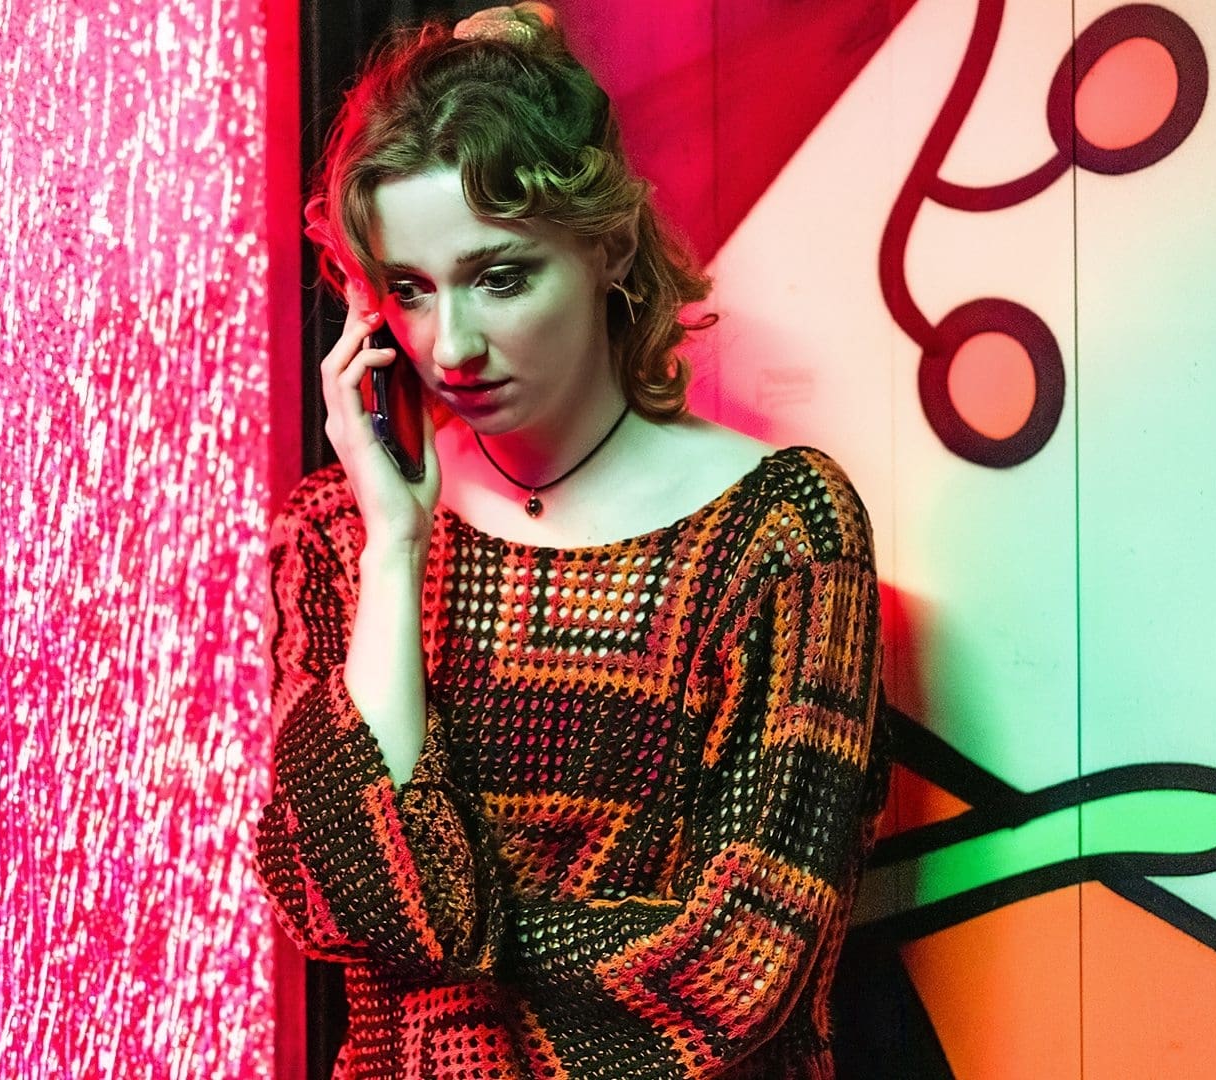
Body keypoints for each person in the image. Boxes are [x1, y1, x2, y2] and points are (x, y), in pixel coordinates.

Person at [255, 5, 889, 1076]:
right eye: (409, 290)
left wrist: (444, 924)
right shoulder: (336, 533)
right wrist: (396, 547)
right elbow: (322, 900)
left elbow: (740, 970)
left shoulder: (779, 529)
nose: (452, 344)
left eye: (499, 277)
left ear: (608, 247)